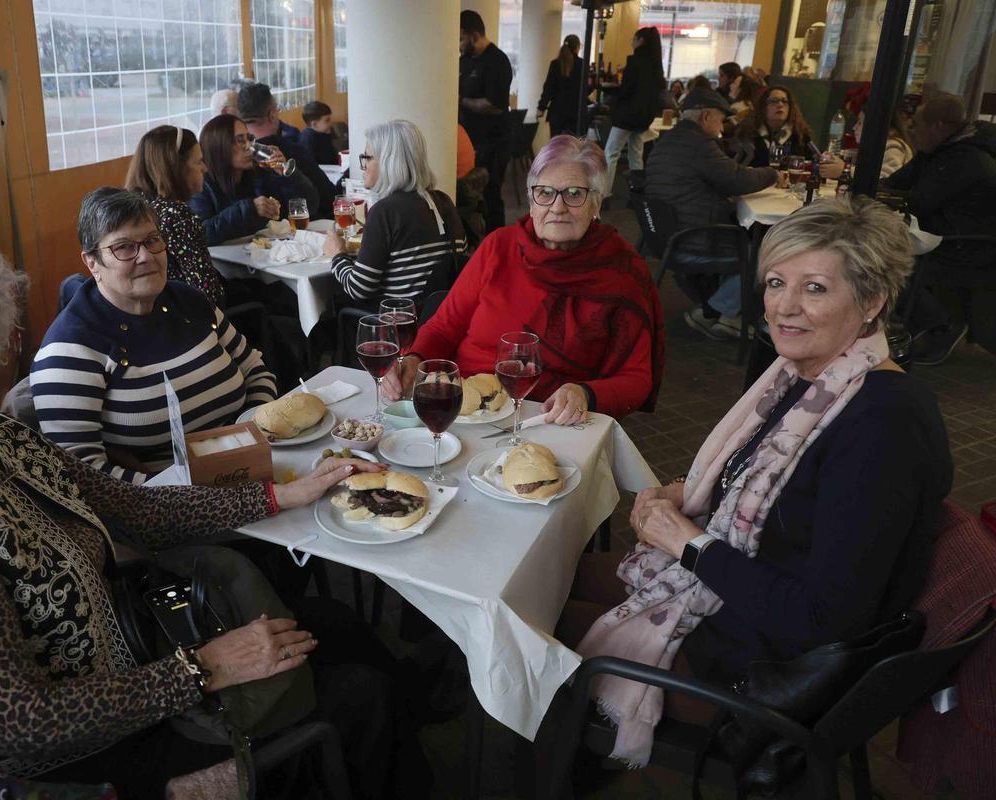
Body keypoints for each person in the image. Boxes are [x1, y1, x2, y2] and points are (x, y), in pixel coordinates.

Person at [0, 224, 417, 799]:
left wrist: (283, 494)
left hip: (133, 651)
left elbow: (138, 512)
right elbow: (20, 721)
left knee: (339, 629)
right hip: (70, 758)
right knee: (357, 695)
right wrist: (202, 668)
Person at [557, 197, 951, 766]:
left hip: (768, 672)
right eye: (775, 282)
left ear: (872, 302)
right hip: (736, 604)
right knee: (551, 577)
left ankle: (560, 760)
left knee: (534, 629)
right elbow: (772, 496)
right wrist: (687, 494)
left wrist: (685, 541)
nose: (784, 308)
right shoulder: (811, 380)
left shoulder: (885, 425)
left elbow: (820, 620)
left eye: (815, 288)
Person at [382, 135, 665, 421]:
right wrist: (415, 359)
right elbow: (445, 328)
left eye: (574, 193)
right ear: (531, 202)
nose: (557, 207)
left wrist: (585, 393)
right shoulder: (499, 246)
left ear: (596, 203)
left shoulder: (621, 272)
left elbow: (637, 378)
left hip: (549, 418)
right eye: (545, 192)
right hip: (464, 411)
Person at [33, 188, 277, 485]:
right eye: (123, 247)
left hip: (249, 471)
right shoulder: (70, 350)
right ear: (92, 262)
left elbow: (255, 370)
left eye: (151, 240)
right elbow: (81, 474)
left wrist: (255, 435)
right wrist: (186, 492)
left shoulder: (189, 302)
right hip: (161, 507)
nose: (146, 256)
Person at [646, 87, 785, 340]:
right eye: (720, 119)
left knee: (747, 234)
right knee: (763, 253)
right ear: (705, 117)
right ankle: (713, 311)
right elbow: (737, 179)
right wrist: (772, 173)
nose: (721, 125)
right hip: (693, 237)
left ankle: (723, 313)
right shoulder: (698, 144)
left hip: (668, 234)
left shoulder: (670, 140)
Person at [882, 93, 996, 365]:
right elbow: (897, 184)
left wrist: (889, 196)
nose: (912, 132)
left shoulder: (967, 159)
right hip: (940, 234)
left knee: (886, 261)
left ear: (939, 126)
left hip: (965, 244)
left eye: (917, 126)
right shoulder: (939, 151)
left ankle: (942, 325)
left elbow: (921, 201)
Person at [322, 120, 466, 305]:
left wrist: (337, 255)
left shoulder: (385, 212)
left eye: (367, 157)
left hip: (397, 321)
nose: (362, 166)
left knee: (326, 317)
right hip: (439, 316)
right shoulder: (443, 201)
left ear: (389, 162)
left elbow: (359, 289)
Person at [123, 124, 227, 309]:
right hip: (189, 323)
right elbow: (209, 294)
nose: (204, 168)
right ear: (176, 167)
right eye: (198, 162)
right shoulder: (177, 216)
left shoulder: (135, 210)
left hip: (151, 318)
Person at [189, 113, 315, 245]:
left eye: (249, 139)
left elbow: (309, 206)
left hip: (263, 255)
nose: (249, 146)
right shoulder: (202, 183)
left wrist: (286, 175)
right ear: (218, 146)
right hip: (224, 262)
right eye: (240, 140)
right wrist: (249, 209)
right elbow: (200, 234)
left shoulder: (259, 172)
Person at [238, 82, 336, 219]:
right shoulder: (291, 151)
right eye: (277, 109)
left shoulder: (234, 156)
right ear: (272, 115)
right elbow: (328, 197)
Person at [458, 9, 513, 233]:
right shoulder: (466, 61)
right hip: (470, 140)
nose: (459, 44)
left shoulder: (497, 61)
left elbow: (494, 106)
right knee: (470, 198)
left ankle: (497, 241)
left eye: (461, 38)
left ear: (474, 35)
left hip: (494, 141)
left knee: (490, 195)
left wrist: (460, 100)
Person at [602, 27, 666, 199]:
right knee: (636, 153)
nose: (632, 42)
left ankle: (604, 192)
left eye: (634, 39)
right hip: (644, 117)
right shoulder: (656, 64)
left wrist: (610, 92)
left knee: (611, 152)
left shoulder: (635, 61)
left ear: (641, 41)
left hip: (627, 116)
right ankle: (637, 192)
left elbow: (627, 90)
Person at [735, 85, 813, 167]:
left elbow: (812, 162)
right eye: (774, 101)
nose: (780, 105)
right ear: (763, 107)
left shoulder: (800, 136)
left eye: (784, 101)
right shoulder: (749, 133)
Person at [536, 34, 584, 137]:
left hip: (557, 113)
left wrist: (541, 107)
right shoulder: (582, 64)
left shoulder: (555, 64)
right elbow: (586, 88)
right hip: (576, 113)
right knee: (575, 145)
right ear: (577, 48)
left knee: (556, 146)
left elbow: (549, 88)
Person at [851, 104, 913, 178]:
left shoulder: (894, 147)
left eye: (860, 123)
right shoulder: (876, 146)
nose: (854, 127)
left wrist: (846, 170)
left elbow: (885, 180)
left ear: (875, 125)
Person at [299, 100, 340, 165]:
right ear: (314, 124)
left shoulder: (325, 132)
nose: (331, 123)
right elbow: (310, 165)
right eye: (327, 120)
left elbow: (333, 158)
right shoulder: (307, 138)